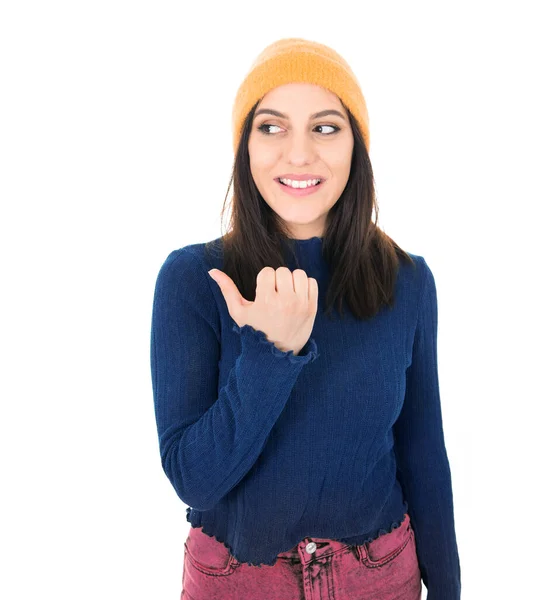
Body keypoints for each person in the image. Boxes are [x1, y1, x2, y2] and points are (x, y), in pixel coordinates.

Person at [150, 37, 461, 600]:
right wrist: (270, 354)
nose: (298, 155)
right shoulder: (193, 279)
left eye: (325, 127)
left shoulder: (407, 280)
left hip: (381, 577)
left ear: (355, 146)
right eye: (271, 127)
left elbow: (424, 456)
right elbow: (193, 478)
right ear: (245, 146)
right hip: (238, 584)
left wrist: (447, 590)